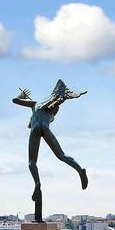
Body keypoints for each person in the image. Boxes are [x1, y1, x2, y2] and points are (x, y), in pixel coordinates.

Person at [13, 80, 88, 221]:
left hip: (35, 129)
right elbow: (55, 105)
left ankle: (37, 183)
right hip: (45, 129)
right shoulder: (50, 113)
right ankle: (79, 169)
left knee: (31, 162)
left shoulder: (34, 104)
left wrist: (22, 95)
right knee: (61, 155)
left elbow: (15, 100)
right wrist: (60, 101)